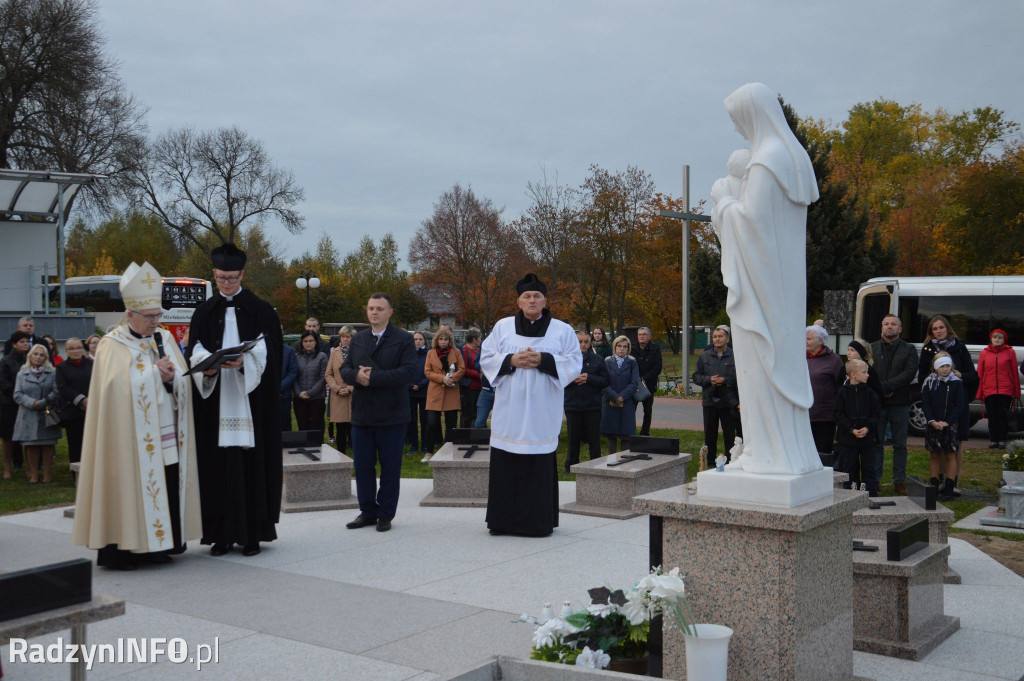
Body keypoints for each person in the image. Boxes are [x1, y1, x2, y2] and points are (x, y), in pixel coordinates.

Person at [709, 82, 821, 475]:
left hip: (761, 290)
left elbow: (751, 224)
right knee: (769, 365)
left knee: (759, 366)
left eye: (738, 121)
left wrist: (723, 200)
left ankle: (770, 452)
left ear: (752, 115)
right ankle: (781, 450)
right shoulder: (791, 157)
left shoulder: (766, 160)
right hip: (781, 288)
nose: (738, 130)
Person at [71, 262, 201, 570]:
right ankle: (127, 551)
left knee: (166, 483)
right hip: (128, 439)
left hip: (165, 431)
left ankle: (161, 547)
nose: (156, 321)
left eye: (159, 315)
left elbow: (183, 379)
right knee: (128, 488)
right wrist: (153, 374)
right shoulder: (112, 345)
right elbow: (113, 390)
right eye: (150, 317)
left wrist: (173, 379)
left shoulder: (166, 339)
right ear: (129, 314)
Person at [188, 243, 283, 557]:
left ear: (242, 274)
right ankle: (219, 535)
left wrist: (247, 362)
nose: (225, 283)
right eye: (219, 278)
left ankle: (253, 534)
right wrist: (209, 362)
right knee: (217, 467)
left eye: (230, 277)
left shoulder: (262, 310)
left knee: (250, 467)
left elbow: (272, 356)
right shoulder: (203, 312)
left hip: (250, 403)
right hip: (214, 400)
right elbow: (196, 351)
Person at [480, 274, 579, 537]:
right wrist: (511, 360)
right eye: (527, 296)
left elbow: (573, 362)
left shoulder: (563, 330)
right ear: (519, 301)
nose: (532, 300)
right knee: (506, 465)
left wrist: (544, 360)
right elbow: (487, 357)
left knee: (538, 468)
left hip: (541, 411)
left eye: (537, 296)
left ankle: (537, 523)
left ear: (545, 301)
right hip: (509, 411)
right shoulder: (502, 327)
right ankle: (502, 522)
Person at [341, 293, 416, 532]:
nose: (374, 312)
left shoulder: (403, 339)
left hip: (392, 413)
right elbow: (345, 368)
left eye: (380, 308)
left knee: (390, 467)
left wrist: (372, 378)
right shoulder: (359, 339)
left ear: (390, 312)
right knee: (363, 466)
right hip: (363, 414)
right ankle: (367, 511)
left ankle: (385, 514)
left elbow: (408, 372)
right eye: (371, 308)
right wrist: (355, 377)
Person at [917, 315, 977, 493]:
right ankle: (940, 479)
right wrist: (931, 381)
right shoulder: (927, 350)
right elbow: (921, 376)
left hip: (957, 401)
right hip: (936, 402)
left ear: (947, 328)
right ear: (931, 332)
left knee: (955, 444)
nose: (939, 331)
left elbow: (972, 375)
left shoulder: (959, 347)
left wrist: (960, 375)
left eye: (941, 327)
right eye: (935, 329)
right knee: (937, 447)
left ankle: (953, 481)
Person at [870, 314, 919, 494]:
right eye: (886, 324)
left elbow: (909, 372)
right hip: (877, 403)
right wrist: (880, 389)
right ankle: (874, 480)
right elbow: (867, 370)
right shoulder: (872, 348)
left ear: (900, 329)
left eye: (893, 324)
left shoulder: (909, 349)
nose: (889, 327)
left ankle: (899, 480)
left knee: (900, 444)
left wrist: (888, 386)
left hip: (900, 402)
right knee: (877, 443)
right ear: (881, 327)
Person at [693, 326, 739, 469]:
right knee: (710, 434)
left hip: (728, 402)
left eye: (720, 336)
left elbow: (740, 377)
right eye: (715, 336)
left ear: (728, 339)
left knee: (730, 434)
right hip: (709, 401)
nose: (717, 339)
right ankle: (711, 462)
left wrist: (725, 380)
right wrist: (709, 380)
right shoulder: (704, 356)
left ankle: (731, 461)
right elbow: (695, 376)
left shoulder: (735, 355)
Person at [833, 359, 882, 496]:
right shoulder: (842, 393)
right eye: (864, 372)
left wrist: (867, 427)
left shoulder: (870, 393)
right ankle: (852, 495)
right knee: (849, 467)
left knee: (868, 467)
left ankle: (870, 493)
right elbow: (838, 414)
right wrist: (851, 429)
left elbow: (876, 413)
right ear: (853, 374)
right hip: (848, 439)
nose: (868, 375)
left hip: (867, 438)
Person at [922, 353, 966, 500]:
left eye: (947, 366)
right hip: (933, 424)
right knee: (934, 455)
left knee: (950, 455)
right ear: (935, 367)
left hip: (950, 425)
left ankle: (949, 487)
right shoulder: (929, 382)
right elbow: (926, 404)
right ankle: (933, 486)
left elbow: (960, 405)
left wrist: (948, 421)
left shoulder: (956, 383)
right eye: (941, 366)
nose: (945, 369)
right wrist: (931, 420)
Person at [13, 343, 59, 483]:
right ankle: (33, 474)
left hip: (46, 413)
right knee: (31, 445)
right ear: (30, 356)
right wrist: (32, 403)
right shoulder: (22, 374)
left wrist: (44, 401)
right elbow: (17, 394)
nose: (38, 357)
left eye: (42, 355)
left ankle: (47, 474)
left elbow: (56, 391)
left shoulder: (52, 373)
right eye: (35, 354)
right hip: (28, 414)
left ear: (46, 357)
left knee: (47, 445)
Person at [564, 331, 608, 471]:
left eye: (586, 342)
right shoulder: (566, 360)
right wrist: (573, 379)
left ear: (590, 343)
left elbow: (606, 381)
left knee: (594, 440)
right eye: (579, 341)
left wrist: (589, 378)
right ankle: (571, 466)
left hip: (592, 406)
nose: (583, 345)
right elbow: (559, 379)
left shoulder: (598, 360)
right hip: (573, 405)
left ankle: (595, 467)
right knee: (573, 439)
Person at [423, 327, 465, 461]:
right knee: (431, 423)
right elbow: (427, 372)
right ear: (437, 340)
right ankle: (429, 452)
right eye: (441, 339)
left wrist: (451, 379)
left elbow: (462, 369)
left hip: (451, 391)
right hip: (435, 392)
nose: (443, 342)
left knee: (451, 424)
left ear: (449, 340)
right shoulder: (430, 353)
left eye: (445, 339)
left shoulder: (456, 352)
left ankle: (448, 452)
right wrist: (442, 379)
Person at [976, 329, 1020, 449]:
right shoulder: (984, 353)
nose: (997, 340)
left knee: (1002, 415)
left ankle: (1002, 440)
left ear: (1004, 340)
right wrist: (979, 391)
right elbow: (980, 373)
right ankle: (994, 440)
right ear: (991, 339)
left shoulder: (1010, 352)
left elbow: (1014, 372)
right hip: (989, 389)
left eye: (999, 338)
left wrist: (1016, 391)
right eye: (995, 337)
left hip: (1005, 390)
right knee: (992, 416)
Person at [806, 325, 845, 456]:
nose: (804, 341)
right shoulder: (799, 358)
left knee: (822, 454)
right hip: (802, 415)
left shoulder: (834, 360)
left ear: (820, 341)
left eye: (808, 339)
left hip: (824, 416)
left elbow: (840, 387)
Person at [55, 337, 92, 465]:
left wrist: (90, 400)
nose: (76, 351)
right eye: (72, 348)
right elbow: (63, 387)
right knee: (75, 444)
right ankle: (77, 477)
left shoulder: (92, 364)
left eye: (78, 347)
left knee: (92, 444)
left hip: (92, 410)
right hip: (73, 411)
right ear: (66, 351)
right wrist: (82, 400)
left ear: (83, 349)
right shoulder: (61, 367)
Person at [601, 336, 640, 455]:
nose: (622, 349)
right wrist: (614, 397)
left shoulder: (632, 362)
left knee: (626, 435)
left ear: (628, 349)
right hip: (609, 401)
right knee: (611, 434)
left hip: (626, 402)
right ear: (614, 347)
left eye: (625, 346)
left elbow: (634, 383)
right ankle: (612, 461)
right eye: (619, 346)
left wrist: (622, 397)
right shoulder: (607, 362)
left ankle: (625, 462)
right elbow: (603, 382)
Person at [0, 331, 31, 478]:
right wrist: (17, 394)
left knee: (28, 437)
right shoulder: (6, 361)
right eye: (22, 342)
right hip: (10, 404)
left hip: (28, 404)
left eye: (27, 341)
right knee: (7, 438)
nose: (25, 344)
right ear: (14, 344)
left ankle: (29, 468)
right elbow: (3, 382)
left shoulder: (31, 359)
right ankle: (7, 469)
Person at [325, 326, 355, 453]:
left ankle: (356, 454)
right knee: (340, 427)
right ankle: (341, 453)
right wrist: (336, 388)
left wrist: (350, 388)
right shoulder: (334, 352)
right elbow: (328, 374)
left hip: (353, 394)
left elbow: (359, 372)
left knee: (353, 427)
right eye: (342, 337)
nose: (345, 339)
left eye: (347, 337)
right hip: (338, 395)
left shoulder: (358, 352)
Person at [293, 330, 328, 436]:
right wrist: (299, 392)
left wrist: (310, 393)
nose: (308, 343)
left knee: (316, 427)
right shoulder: (296, 356)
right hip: (300, 398)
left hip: (317, 398)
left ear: (315, 342)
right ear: (302, 343)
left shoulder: (322, 356)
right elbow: (293, 376)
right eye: (305, 341)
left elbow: (323, 378)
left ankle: (317, 450)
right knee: (302, 426)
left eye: (311, 341)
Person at [631, 326, 661, 436]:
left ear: (649, 336)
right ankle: (630, 431)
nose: (642, 336)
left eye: (644, 334)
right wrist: (636, 378)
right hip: (634, 384)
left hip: (648, 385)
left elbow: (658, 367)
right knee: (631, 410)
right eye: (640, 334)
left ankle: (644, 432)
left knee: (647, 411)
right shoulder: (632, 349)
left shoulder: (655, 349)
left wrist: (645, 377)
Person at [406, 330, 429, 456]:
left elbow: (430, 372)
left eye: (420, 339)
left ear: (424, 340)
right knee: (412, 420)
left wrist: (420, 384)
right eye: (415, 339)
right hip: (410, 392)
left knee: (425, 419)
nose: (418, 341)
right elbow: (404, 370)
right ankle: (414, 446)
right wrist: (410, 385)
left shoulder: (428, 354)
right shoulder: (407, 354)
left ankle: (425, 445)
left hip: (424, 391)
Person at [460, 328, 483, 428]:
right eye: (479, 338)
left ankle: (476, 436)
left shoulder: (479, 350)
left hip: (480, 386)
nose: (481, 340)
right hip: (469, 387)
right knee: (467, 413)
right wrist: (479, 375)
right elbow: (464, 369)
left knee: (477, 413)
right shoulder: (464, 350)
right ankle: (464, 436)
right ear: (474, 340)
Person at [280, 326, 298, 430]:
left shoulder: (289, 351)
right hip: (266, 395)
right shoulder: (262, 351)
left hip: (283, 396)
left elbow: (293, 372)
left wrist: (279, 387)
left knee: (285, 423)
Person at [474, 350, 494, 428]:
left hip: (502, 391)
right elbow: (477, 364)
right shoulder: (487, 343)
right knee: (479, 422)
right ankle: (479, 440)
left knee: (499, 422)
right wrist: (481, 368)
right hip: (486, 390)